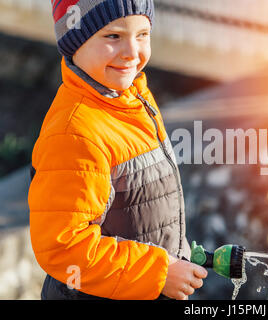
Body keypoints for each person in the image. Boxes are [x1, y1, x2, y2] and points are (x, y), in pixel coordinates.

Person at [28, 0, 207, 300]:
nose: (132, 53)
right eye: (113, 36)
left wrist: (178, 254)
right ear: (74, 41)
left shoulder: (131, 98)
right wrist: (158, 273)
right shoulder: (75, 132)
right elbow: (63, 247)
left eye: (142, 35)